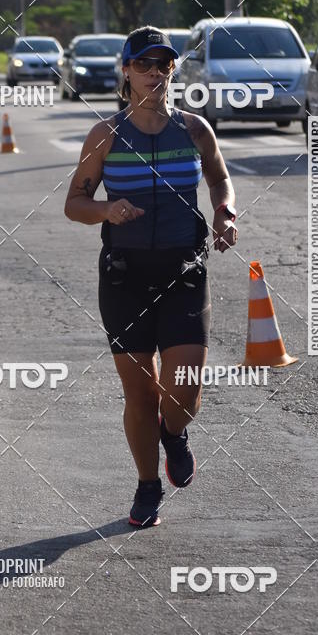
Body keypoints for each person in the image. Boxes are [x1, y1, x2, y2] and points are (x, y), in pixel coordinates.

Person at [64, 26, 237, 528]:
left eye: (163, 65)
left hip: (184, 268)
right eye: (144, 65)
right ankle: (146, 486)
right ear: (127, 72)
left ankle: (176, 434)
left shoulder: (195, 129)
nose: (155, 74)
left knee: (182, 386)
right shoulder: (106, 135)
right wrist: (106, 210)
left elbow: (219, 176)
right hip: (126, 275)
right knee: (139, 392)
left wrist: (225, 212)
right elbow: (74, 204)